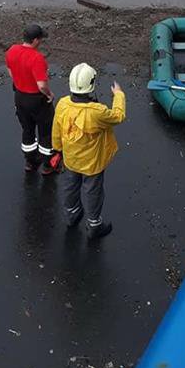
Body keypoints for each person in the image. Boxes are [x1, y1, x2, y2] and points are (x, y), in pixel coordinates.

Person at [52, 63, 126, 240]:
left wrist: (57, 150)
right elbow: (118, 116)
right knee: (93, 192)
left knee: (70, 187)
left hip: (70, 159)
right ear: (91, 85)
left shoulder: (62, 104)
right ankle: (94, 225)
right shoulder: (97, 112)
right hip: (92, 163)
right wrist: (119, 95)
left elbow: (56, 129)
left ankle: (72, 215)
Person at [5, 23, 56, 175]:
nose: (40, 41)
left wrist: (19, 82)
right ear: (34, 40)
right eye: (40, 39)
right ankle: (48, 165)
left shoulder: (12, 51)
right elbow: (41, 85)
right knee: (46, 133)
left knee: (27, 130)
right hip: (37, 100)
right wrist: (49, 94)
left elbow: (10, 70)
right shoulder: (37, 58)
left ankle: (30, 162)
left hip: (20, 97)